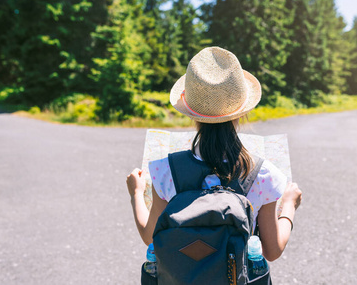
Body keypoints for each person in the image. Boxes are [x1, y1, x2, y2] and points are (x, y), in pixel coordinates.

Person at [126, 46, 302, 262]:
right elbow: (272, 251)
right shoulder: (263, 174)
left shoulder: (165, 170)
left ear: (191, 114)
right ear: (242, 113)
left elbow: (150, 237)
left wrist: (136, 193)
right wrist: (290, 206)